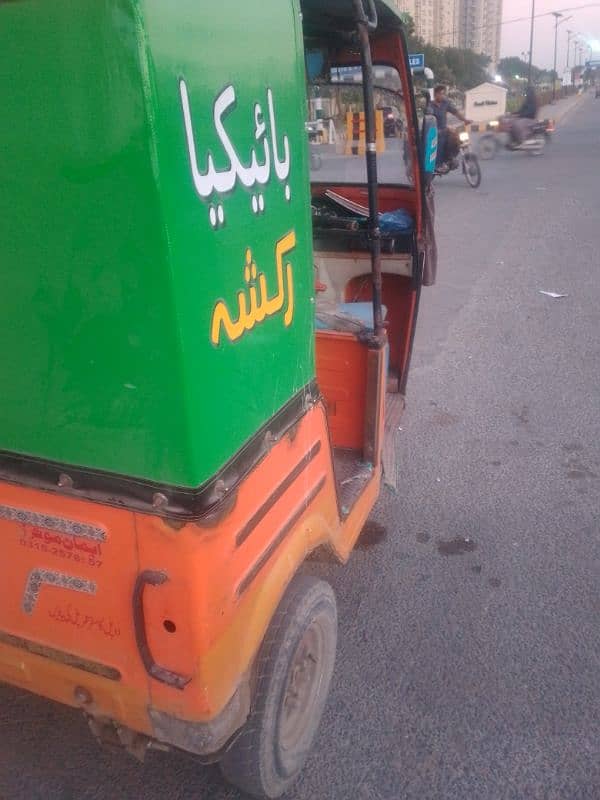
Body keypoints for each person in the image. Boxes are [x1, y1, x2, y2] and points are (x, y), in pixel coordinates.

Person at [428, 85, 471, 171]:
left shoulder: (445, 103)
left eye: (444, 93)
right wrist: (443, 128)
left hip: (444, 129)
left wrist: (465, 120)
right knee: (441, 141)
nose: (443, 95)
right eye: (440, 93)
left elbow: (455, 112)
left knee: (456, 138)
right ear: (435, 94)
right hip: (434, 131)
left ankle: (450, 158)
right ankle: (438, 164)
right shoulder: (430, 106)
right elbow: (429, 120)